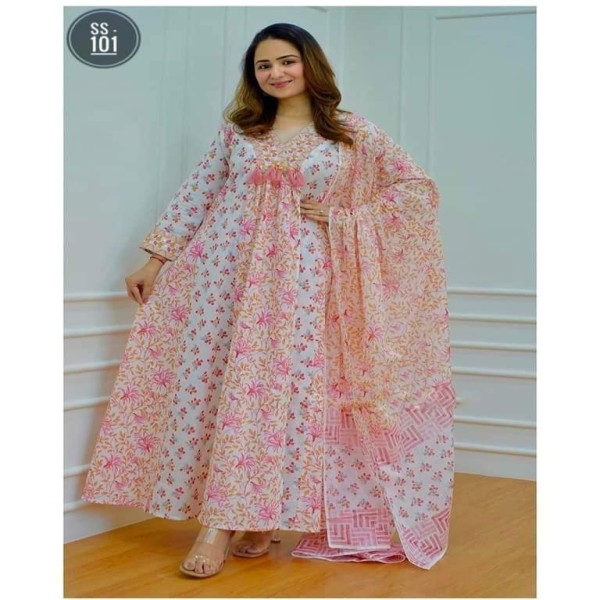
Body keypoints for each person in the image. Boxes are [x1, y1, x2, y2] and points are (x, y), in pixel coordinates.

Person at [81, 22, 457, 579]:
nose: (276, 73)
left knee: (280, 397)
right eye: (263, 65)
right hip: (223, 278)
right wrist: (155, 260)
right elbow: (198, 195)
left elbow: (417, 189)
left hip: (301, 282)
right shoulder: (240, 132)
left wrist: (347, 217)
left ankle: (247, 518)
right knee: (221, 390)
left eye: (286, 61)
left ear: (310, 64)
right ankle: (229, 519)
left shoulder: (349, 132)